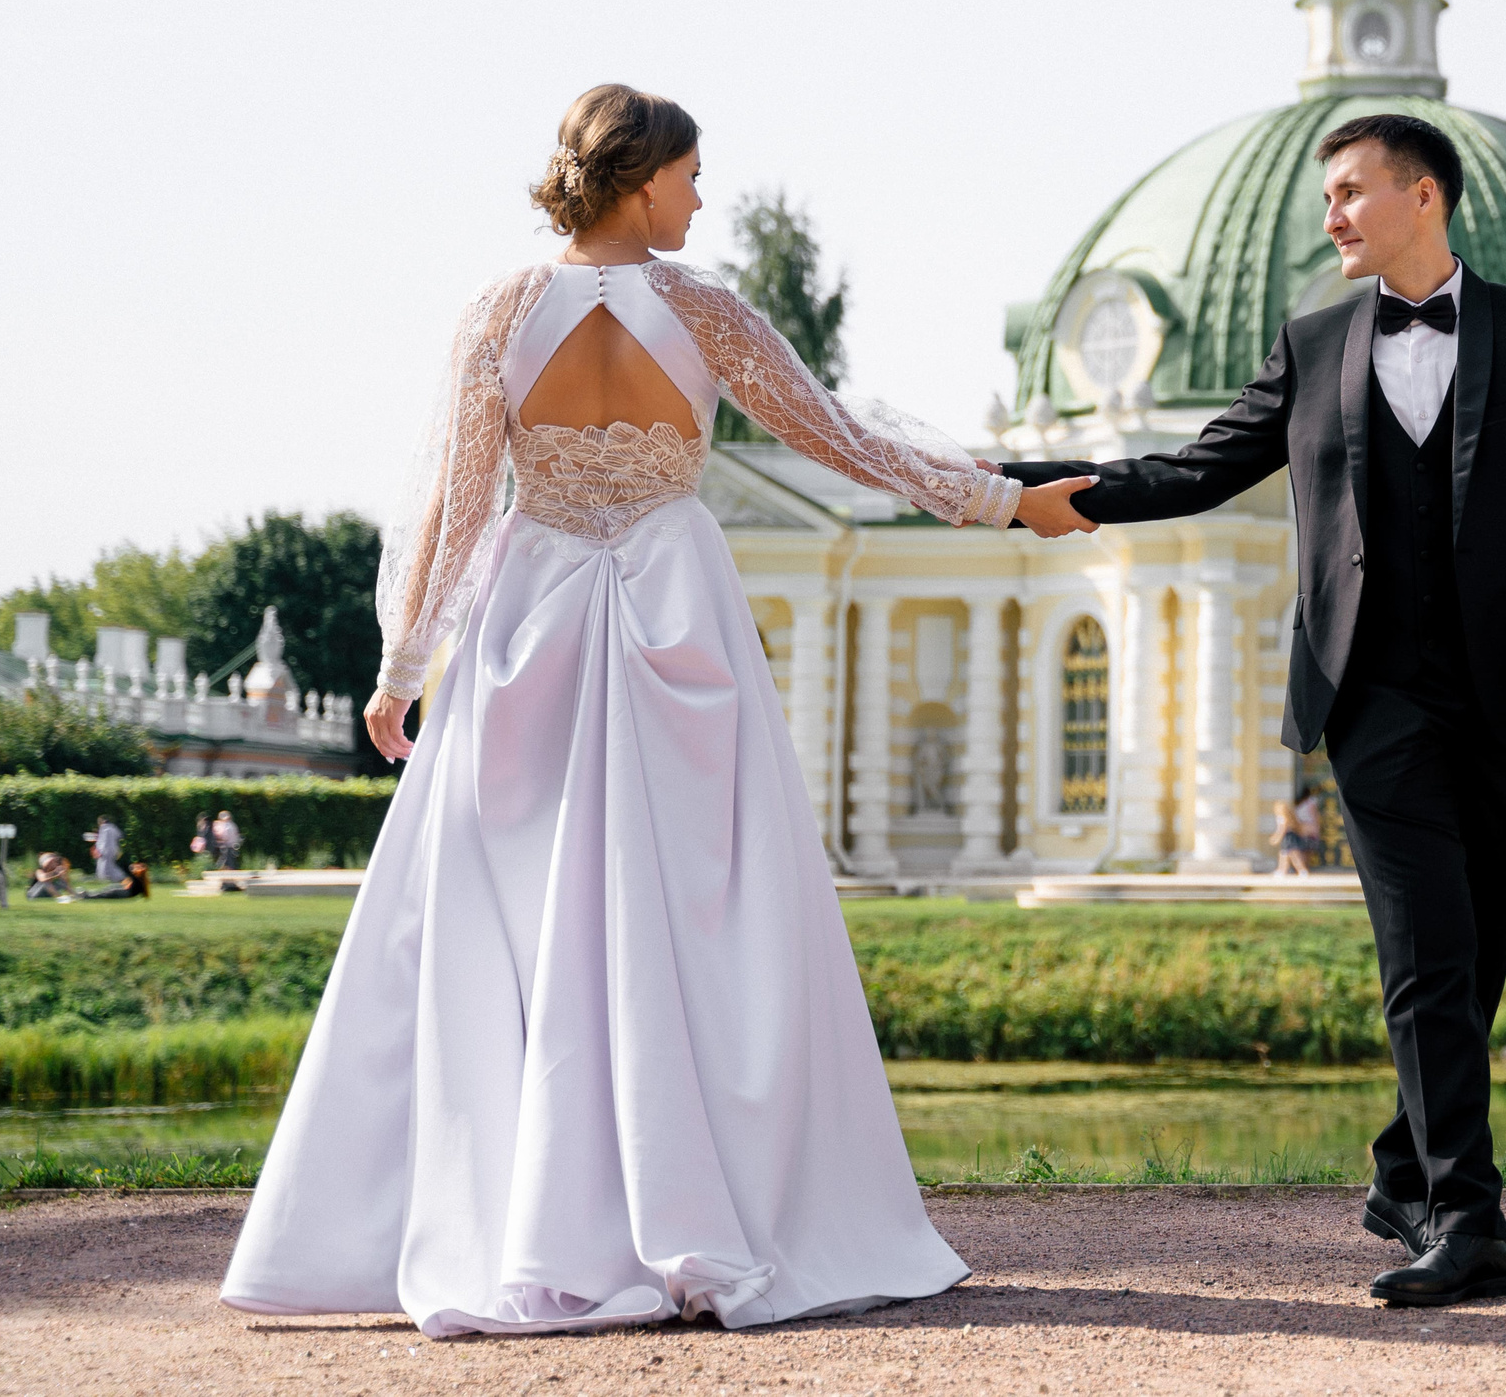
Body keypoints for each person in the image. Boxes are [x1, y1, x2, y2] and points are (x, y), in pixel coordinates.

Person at [221, 85, 1095, 1339]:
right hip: (674, 607)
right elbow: (844, 441)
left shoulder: (497, 314)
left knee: (508, 912)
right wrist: (1007, 503)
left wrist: (402, 663)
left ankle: (518, 1219)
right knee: (702, 911)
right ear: (641, 184)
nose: (700, 196)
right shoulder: (706, 315)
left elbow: (457, 507)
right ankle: (711, 1204)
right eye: (691, 175)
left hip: (531, 615)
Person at [1003, 113, 1506, 1308]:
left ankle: (1403, 1165)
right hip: (1374, 698)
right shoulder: (1312, 344)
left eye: (1351, 192)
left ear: (1424, 197)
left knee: (1479, 952)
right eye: (1325, 199)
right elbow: (1201, 465)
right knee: (1425, 955)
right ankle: (1468, 1222)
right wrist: (1060, 497)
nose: (1332, 215)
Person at [1268, 799, 1310, 876]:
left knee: (1291, 854)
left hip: (1288, 838)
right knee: (1285, 855)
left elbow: (1281, 829)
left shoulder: (1282, 817)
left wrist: (1276, 838)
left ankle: (1301, 870)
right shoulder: (1289, 816)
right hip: (1291, 836)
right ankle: (1283, 870)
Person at [88, 814, 126, 885]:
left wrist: (97, 849)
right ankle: (119, 879)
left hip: (105, 851)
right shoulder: (113, 827)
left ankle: (121, 878)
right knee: (111, 866)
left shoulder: (103, 828)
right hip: (114, 850)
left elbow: (102, 840)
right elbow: (120, 835)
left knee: (104, 868)